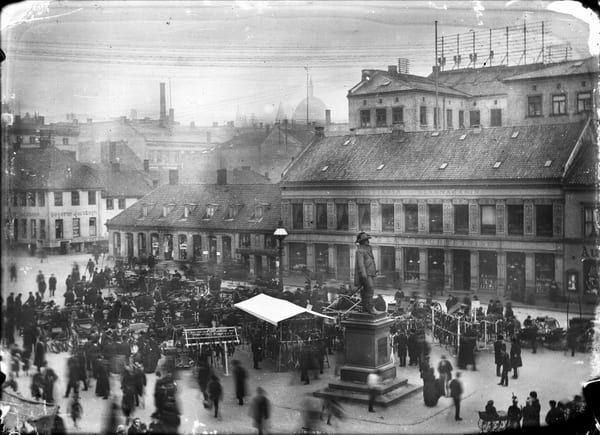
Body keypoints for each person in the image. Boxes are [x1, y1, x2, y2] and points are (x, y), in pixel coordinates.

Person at [354, 232, 378, 314]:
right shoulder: (360, 250)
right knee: (370, 289)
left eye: (367, 240)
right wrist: (363, 275)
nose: (368, 241)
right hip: (366, 274)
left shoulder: (368, 249)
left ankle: (365, 307)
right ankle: (370, 308)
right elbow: (361, 264)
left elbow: (371, 261)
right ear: (362, 241)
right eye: (366, 240)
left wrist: (374, 271)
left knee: (366, 290)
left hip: (370, 273)